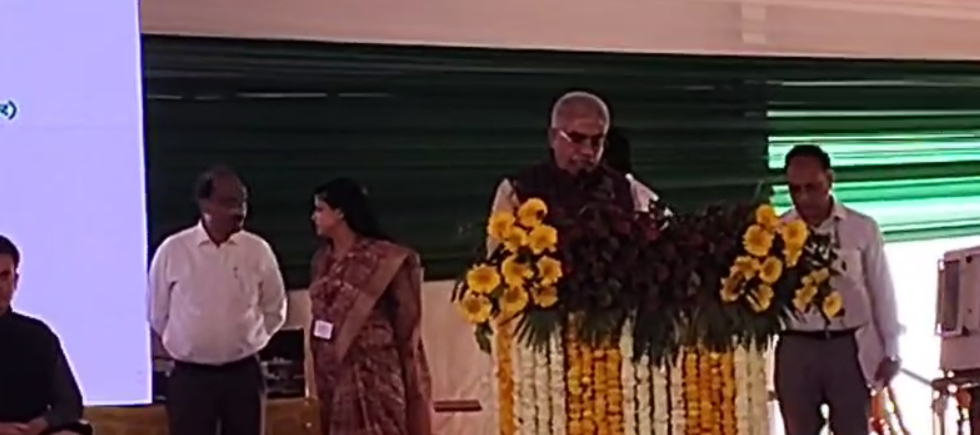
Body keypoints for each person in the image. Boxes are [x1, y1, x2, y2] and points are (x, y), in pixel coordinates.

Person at [147, 165, 287, 435]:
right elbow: (157, 313)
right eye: (228, 202)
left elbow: (275, 308)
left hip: (243, 374)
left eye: (242, 202)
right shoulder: (174, 250)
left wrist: (248, 340)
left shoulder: (257, 250)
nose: (239, 211)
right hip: (191, 377)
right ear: (205, 205)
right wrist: (191, 344)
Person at [775, 144, 901, 435]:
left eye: (811, 187)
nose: (803, 198)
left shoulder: (862, 228)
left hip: (849, 346)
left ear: (830, 180)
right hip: (796, 345)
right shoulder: (776, 231)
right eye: (794, 190)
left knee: (853, 428)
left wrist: (891, 350)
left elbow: (881, 290)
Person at [308, 177, 432, 435]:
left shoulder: (385, 258)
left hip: (377, 374)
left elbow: (407, 326)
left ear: (340, 212)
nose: (313, 217)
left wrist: (412, 383)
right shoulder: (321, 262)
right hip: (337, 377)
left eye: (320, 209)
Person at [490, 91, 665, 221]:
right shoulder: (517, 190)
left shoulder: (631, 192)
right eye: (577, 139)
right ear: (553, 137)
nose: (588, 151)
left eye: (597, 141)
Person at [0, 235, 90, 435]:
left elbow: (70, 403)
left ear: (16, 281)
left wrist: (42, 424)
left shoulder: (38, 337)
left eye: (4, 276)